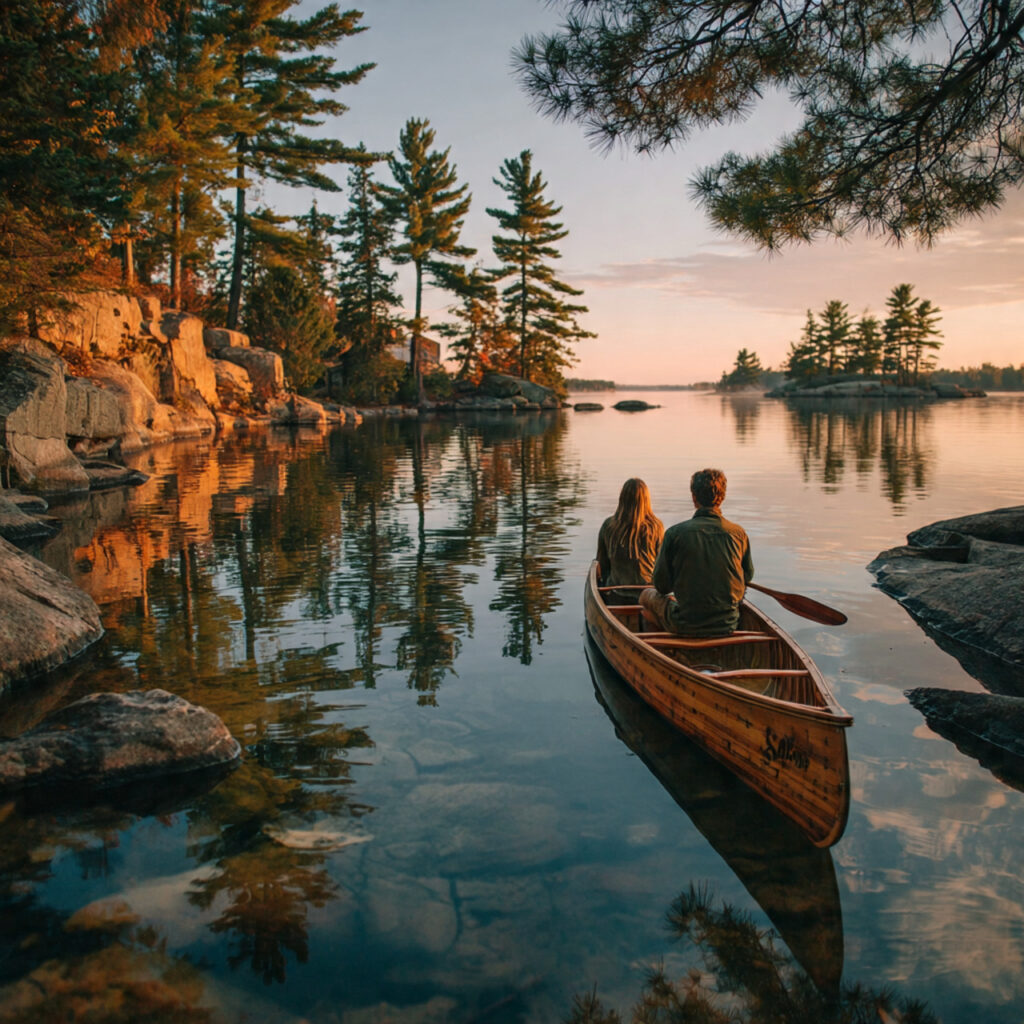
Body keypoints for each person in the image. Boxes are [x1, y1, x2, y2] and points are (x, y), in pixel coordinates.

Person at [640, 468, 753, 636]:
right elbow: (747, 577)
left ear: (694, 497)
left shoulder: (674, 534)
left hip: (685, 623)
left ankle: (661, 651)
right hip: (728, 625)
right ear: (722, 497)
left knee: (645, 596)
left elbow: (661, 586)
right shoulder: (739, 534)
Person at [596, 478, 664, 602]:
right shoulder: (656, 527)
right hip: (648, 595)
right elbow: (662, 565)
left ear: (622, 499)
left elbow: (602, 563)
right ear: (646, 500)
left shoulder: (609, 526)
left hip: (616, 594)